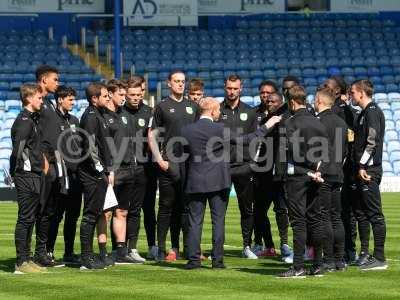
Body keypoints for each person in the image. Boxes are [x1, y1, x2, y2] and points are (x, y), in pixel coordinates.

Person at [182, 97, 282, 269]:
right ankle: (217, 261)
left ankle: (193, 260)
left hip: (195, 181)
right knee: (218, 221)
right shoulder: (219, 129)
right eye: (219, 110)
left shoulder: (187, 130)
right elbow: (249, 139)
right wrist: (268, 124)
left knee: (194, 221)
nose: (220, 113)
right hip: (218, 181)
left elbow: (182, 157)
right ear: (212, 111)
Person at [148, 70, 200, 261]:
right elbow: (151, 135)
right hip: (169, 164)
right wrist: (159, 159)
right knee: (166, 206)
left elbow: (198, 134)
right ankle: (160, 249)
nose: (180, 84)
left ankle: (186, 248)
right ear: (168, 83)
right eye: (176, 81)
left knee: (186, 207)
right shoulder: (162, 107)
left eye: (183, 81)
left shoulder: (192, 106)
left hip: (189, 165)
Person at [279, 85, 329, 278]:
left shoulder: (289, 123)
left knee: (298, 222)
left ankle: (298, 265)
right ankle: (317, 265)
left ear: (291, 102)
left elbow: (290, 153)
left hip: (298, 176)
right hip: (317, 175)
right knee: (315, 220)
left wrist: (305, 170)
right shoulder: (319, 123)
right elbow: (326, 152)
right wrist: (317, 170)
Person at [217, 74, 258, 259]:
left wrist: (252, 163)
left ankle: (246, 246)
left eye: (235, 88)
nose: (232, 91)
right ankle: (218, 248)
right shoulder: (217, 110)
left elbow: (256, 139)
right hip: (222, 166)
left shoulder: (250, 112)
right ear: (224, 88)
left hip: (243, 167)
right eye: (229, 88)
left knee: (246, 208)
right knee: (219, 209)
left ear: (241, 89)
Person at [351, 79, 387, 271]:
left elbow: (372, 141)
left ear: (361, 93)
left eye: (353, 93)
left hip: (369, 170)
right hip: (363, 169)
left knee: (374, 214)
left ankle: (380, 257)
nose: (351, 96)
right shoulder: (364, 113)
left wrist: (362, 164)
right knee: (362, 213)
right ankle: (367, 254)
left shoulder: (372, 112)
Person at [253, 87, 292, 261]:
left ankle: (284, 244)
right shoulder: (264, 120)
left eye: (273, 101)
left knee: (281, 210)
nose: (269, 103)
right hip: (263, 171)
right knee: (260, 210)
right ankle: (268, 245)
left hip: (280, 172)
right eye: (267, 101)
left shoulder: (285, 119)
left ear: (281, 103)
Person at [11, 84, 47, 274]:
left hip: (33, 174)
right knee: (25, 218)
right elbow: (18, 151)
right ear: (29, 98)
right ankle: (20, 262)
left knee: (30, 218)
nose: (42, 101)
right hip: (26, 175)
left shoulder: (31, 120)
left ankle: (27, 258)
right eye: (39, 98)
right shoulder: (24, 121)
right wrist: (15, 172)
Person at [78, 82, 114, 270]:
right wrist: (100, 170)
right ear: (94, 98)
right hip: (92, 173)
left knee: (96, 213)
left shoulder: (98, 114)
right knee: (90, 215)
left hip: (97, 172)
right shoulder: (91, 117)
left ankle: (91, 256)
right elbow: (91, 147)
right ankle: (86, 258)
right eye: (105, 95)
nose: (108, 98)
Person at [46, 85, 82, 265]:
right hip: (61, 176)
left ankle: (68, 252)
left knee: (72, 216)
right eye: (70, 99)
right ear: (60, 99)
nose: (73, 102)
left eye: (74, 99)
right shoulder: (52, 119)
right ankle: (48, 251)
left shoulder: (74, 120)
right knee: (56, 215)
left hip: (76, 177)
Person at [314, 87, 348, 271]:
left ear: (319, 101)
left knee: (324, 216)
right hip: (338, 173)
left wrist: (317, 169)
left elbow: (316, 151)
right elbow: (344, 152)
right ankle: (339, 258)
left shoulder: (318, 122)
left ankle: (327, 259)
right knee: (336, 216)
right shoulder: (342, 123)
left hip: (323, 174)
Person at [33, 65, 62, 267]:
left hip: (54, 162)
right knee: (39, 210)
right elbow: (34, 135)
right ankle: (30, 254)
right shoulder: (35, 102)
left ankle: (42, 252)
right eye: (55, 79)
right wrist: (43, 160)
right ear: (44, 80)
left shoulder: (50, 103)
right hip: (43, 163)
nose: (57, 83)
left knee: (49, 210)